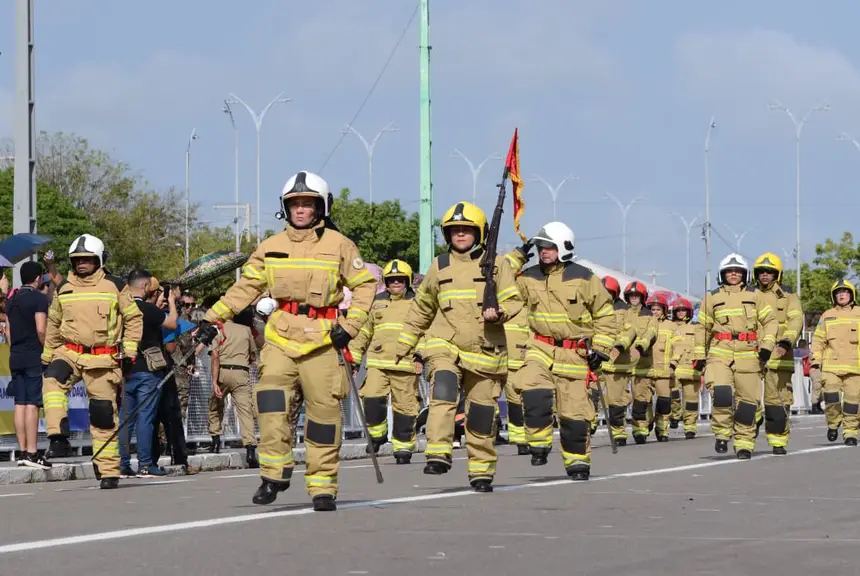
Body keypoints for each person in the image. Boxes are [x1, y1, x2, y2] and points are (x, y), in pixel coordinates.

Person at [198, 170, 376, 512]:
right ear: (285, 208)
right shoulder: (270, 246)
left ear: (321, 208)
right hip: (280, 335)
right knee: (270, 402)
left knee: (324, 416)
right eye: (294, 204)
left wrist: (350, 326)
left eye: (308, 204)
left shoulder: (340, 244)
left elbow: (366, 285)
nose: (300, 210)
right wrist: (211, 318)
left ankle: (323, 487)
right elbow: (246, 287)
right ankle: (274, 474)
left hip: (324, 339)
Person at [395, 201, 523, 492]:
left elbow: (514, 300)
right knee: (442, 392)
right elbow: (422, 307)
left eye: (466, 230)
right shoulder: (439, 265)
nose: (460, 235)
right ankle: (438, 453)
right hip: (445, 345)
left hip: (485, 351)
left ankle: (481, 472)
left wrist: (499, 311)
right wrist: (404, 344)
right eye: (455, 231)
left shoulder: (498, 264)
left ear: (479, 233)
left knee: (481, 414)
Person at [514, 222, 616, 480]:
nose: (543, 251)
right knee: (534, 393)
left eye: (548, 246)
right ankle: (538, 444)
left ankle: (577, 463)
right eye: (540, 247)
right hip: (540, 346)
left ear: (563, 248)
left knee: (575, 418)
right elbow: (501, 288)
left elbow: (605, 315)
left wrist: (601, 350)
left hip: (575, 354)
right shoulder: (527, 277)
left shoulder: (584, 277)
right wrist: (515, 257)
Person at [42, 234, 143, 488]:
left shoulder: (115, 286)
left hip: (102, 358)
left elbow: (133, 319)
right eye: (77, 260)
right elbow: (54, 323)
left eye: (87, 259)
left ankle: (108, 470)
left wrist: (129, 352)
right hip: (70, 352)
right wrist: (47, 355)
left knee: (102, 415)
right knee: (52, 380)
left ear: (99, 260)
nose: (81, 264)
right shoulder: (64, 288)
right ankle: (57, 437)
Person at [694, 253, 777, 459]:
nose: (733, 274)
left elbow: (771, 322)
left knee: (748, 403)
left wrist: (767, 345)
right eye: (729, 271)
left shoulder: (756, 295)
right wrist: (699, 355)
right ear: (722, 274)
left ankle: (744, 442)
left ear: (744, 274)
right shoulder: (711, 297)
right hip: (719, 352)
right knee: (721, 394)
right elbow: (702, 328)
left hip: (749, 354)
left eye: (737, 271)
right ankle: (722, 434)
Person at [348, 259, 424, 464]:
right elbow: (364, 332)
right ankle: (377, 434)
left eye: (400, 280)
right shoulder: (376, 302)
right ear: (386, 282)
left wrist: (421, 355)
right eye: (392, 280)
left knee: (405, 409)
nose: (396, 283)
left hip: (406, 364)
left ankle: (403, 449)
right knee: (371, 398)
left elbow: (427, 331)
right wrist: (353, 359)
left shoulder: (419, 303)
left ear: (407, 281)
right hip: (377, 363)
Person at [118, 269, 177, 478]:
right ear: (145, 287)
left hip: (125, 369)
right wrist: (171, 302)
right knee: (146, 418)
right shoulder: (147, 309)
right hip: (148, 371)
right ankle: (145, 463)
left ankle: (122, 464)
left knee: (125, 419)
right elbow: (172, 324)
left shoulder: (120, 308)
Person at [752, 252, 803, 455]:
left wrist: (786, 342)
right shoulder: (749, 295)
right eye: (761, 272)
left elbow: (795, 321)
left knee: (776, 402)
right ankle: (751, 426)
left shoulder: (788, 297)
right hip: (752, 354)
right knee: (747, 398)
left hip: (779, 353)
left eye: (769, 272)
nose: (765, 275)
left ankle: (778, 441)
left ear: (777, 275)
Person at [7, 261, 51, 468]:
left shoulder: (12, 298)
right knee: (33, 403)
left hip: (15, 354)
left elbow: (7, 330)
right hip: (33, 354)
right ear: (37, 278)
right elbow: (41, 329)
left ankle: (23, 451)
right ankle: (33, 452)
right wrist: (49, 350)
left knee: (20, 403)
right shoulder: (39, 299)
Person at [810, 279, 860, 445]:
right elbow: (818, 340)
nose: (842, 294)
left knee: (853, 401)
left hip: (855, 367)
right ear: (834, 296)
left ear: (851, 294)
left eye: (845, 292)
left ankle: (850, 433)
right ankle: (833, 423)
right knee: (831, 397)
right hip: (831, 366)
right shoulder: (827, 315)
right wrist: (815, 360)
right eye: (838, 292)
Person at [208, 306, 259, 467]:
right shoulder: (246, 330)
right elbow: (252, 354)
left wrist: (214, 381)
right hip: (241, 373)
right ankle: (250, 449)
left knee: (215, 406)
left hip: (223, 370)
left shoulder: (219, 330)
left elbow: (215, 356)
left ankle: (215, 440)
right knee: (245, 411)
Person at [629, 292, 675, 443]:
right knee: (641, 403)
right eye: (652, 309)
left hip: (663, 371)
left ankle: (662, 430)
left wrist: (674, 364)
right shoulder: (638, 322)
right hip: (643, 369)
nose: (655, 312)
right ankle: (640, 430)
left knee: (664, 403)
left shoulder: (671, 326)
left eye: (658, 309)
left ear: (664, 310)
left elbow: (679, 347)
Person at [601, 275, 639, 446]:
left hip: (617, 363)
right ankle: (589, 425)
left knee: (616, 402)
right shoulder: (592, 309)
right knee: (590, 396)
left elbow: (631, 331)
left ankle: (618, 432)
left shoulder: (625, 311)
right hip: (595, 360)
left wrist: (620, 345)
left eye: (607, 293)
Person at [669, 297, 702, 438]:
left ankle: (690, 428)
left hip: (692, 368)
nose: (681, 313)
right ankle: (675, 416)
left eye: (684, 310)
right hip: (674, 368)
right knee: (673, 396)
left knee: (691, 401)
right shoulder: (670, 327)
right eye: (679, 310)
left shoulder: (696, 328)